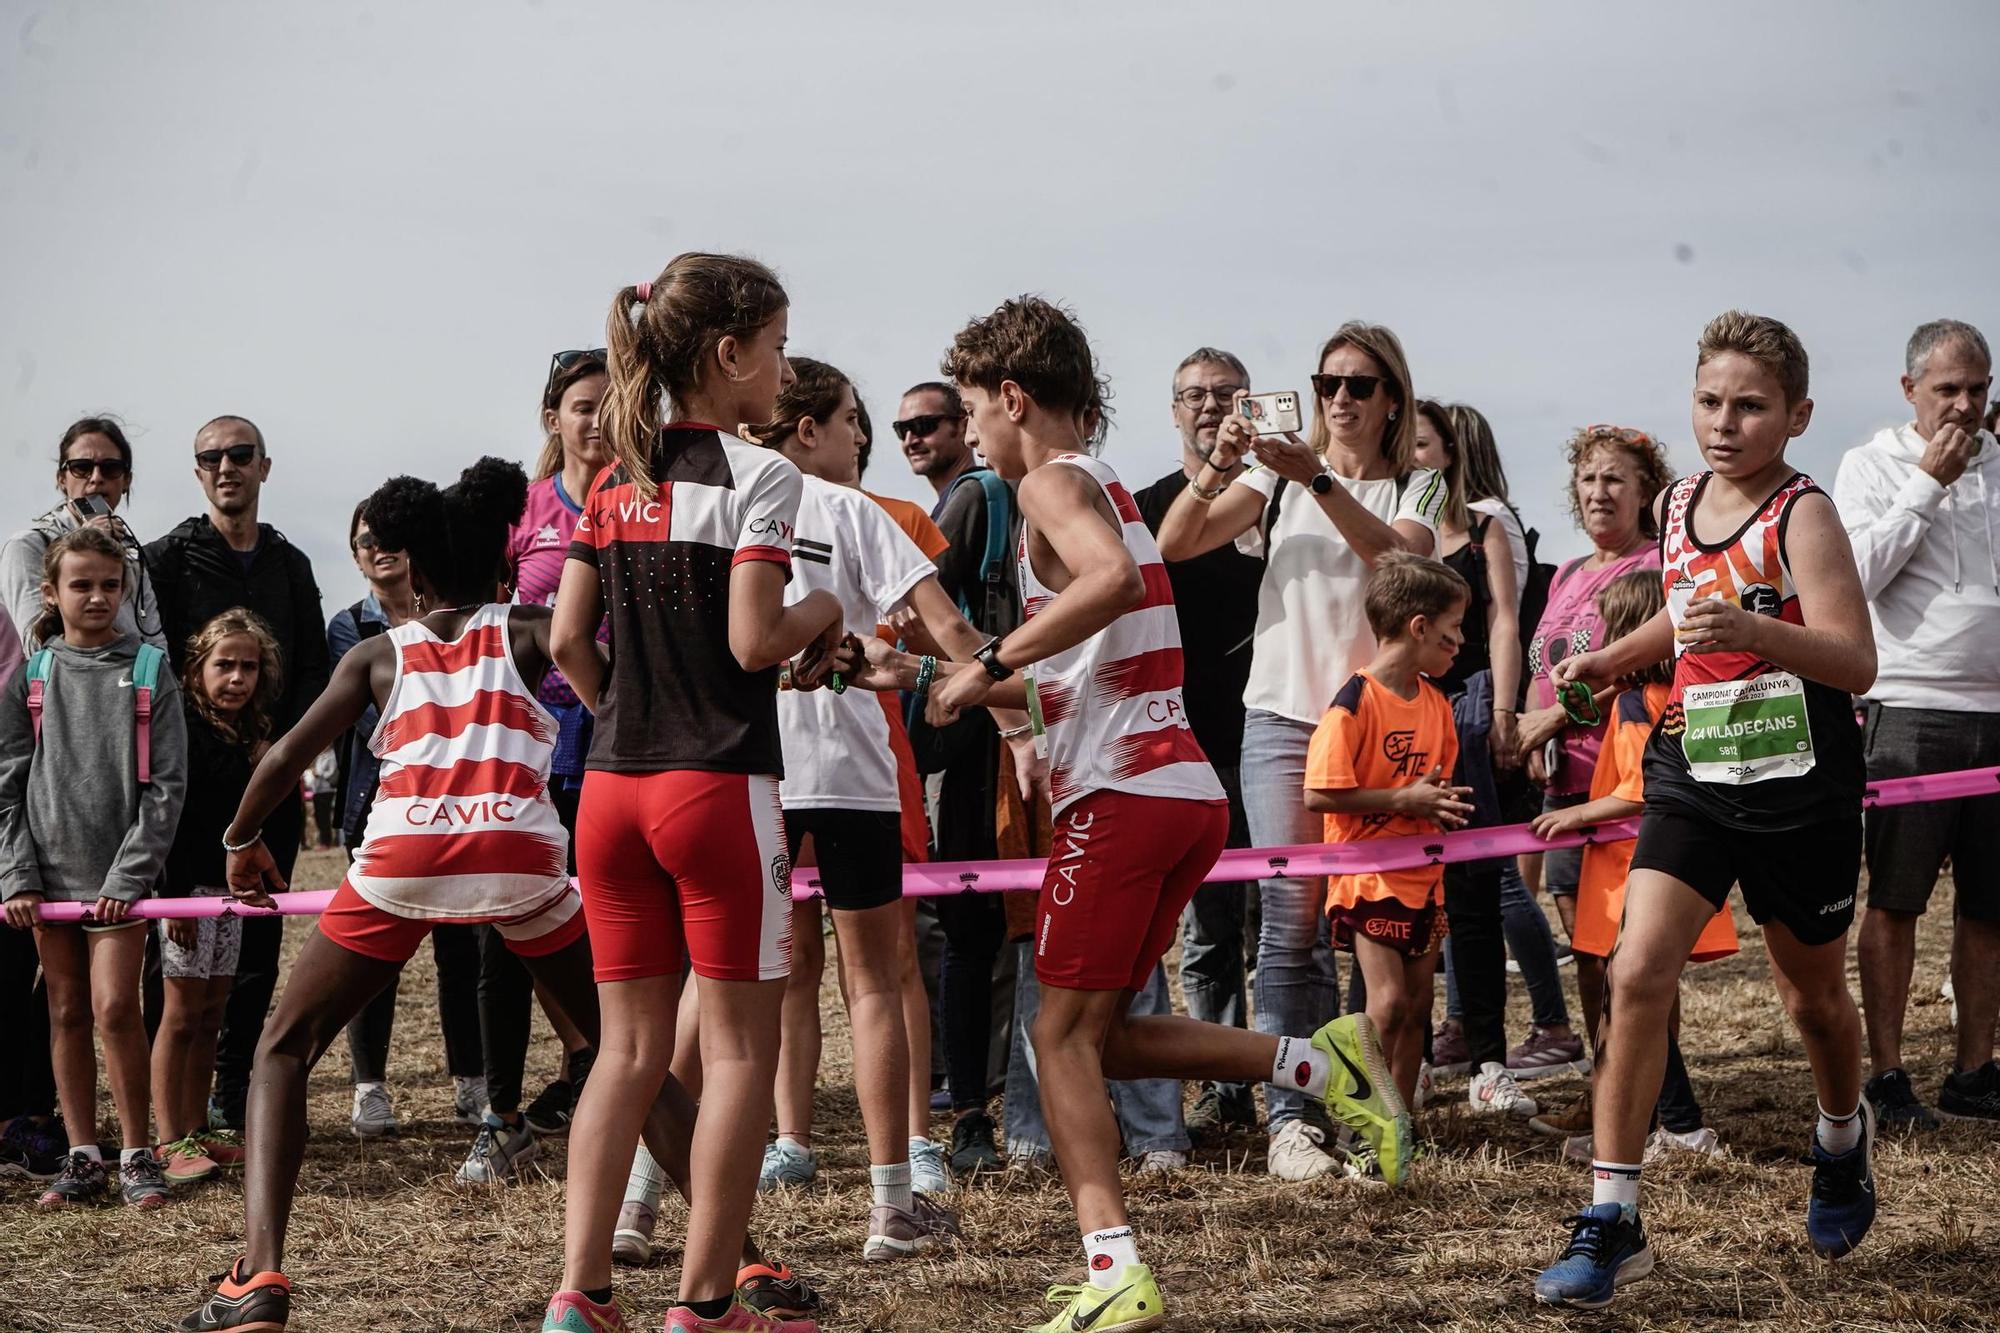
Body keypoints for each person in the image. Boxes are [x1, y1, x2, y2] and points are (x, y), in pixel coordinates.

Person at [897, 294, 1409, 1330]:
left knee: (1057, 1036)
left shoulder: (1047, 481)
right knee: (1105, 1040)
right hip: (1177, 795)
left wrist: (985, 656)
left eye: (970, 412)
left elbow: (1111, 583)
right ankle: (1319, 1060)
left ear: (1010, 398)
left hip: (1125, 801)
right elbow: (1071, 675)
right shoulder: (1104, 487)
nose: (969, 439)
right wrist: (908, 672)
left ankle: (1113, 1268)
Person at [176, 460, 729, 1333]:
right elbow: (625, 689)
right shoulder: (535, 628)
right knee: (629, 1053)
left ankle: (259, 1276)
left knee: (281, 1051)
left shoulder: (375, 652)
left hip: (403, 853)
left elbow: (283, 759)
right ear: (507, 568)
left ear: (416, 573)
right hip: (521, 851)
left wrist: (241, 843)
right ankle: (735, 1255)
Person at [1535, 312, 1879, 1308]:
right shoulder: (1679, 500)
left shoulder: (1801, 515)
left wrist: (1754, 630)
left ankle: (1840, 1138)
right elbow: (1678, 624)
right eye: (1707, 401)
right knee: (1635, 969)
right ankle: (1611, 1219)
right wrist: (1603, 661)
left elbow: (1854, 659)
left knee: (1811, 1002)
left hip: (1797, 780)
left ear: (1795, 415)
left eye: (1748, 406)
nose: (1722, 423)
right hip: (1692, 767)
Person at [547, 254, 842, 1333]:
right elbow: (753, 638)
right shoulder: (760, 475)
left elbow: (570, 639)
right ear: (728, 355)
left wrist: (625, 708)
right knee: (734, 1055)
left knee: (623, 1053)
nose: (782, 366)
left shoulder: (609, 477)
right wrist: (829, 613)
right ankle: (704, 1303)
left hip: (612, 792)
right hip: (716, 787)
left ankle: (579, 1295)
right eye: (774, 344)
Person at [1156, 320, 1444, 1180]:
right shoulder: (1275, 480)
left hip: (1377, 727)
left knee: (1380, 928)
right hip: (1281, 719)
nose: (1341, 400)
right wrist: (1220, 462)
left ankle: (1372, 1102)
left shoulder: (1419, 486)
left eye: (1359, 385)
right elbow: (1175, 542)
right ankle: (1294, 1118)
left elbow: (1402, 567)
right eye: (1327, 385)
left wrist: (1314, 476)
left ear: (1393, 397)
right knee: (1290, 929)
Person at [738, 356, 977, 1256]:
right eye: (849, 421)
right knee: (875, 981)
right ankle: (892, 1208)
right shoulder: (854, 512)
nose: (863, 437)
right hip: (849, 773)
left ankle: (643, 1201)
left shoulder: (727, 505)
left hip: (752, 769)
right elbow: (952, 633)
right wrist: (1015, 691)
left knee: (717, 985)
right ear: (808, 431)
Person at [453, 348, 613, 1185]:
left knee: (613, 925)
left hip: (621, 740)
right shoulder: (524, 513)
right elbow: (478, 624)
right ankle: (502, 1113)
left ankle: (609, 1077)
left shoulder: (644, 502)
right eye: (581, 405)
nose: (596, 419)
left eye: (609, 404)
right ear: (554, 418)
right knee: (502, 930)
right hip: (528, 744)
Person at [147, 415, 330, 1135]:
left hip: (271, 785)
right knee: (178, 956)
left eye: (240, 454)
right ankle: (173, 1123)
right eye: (211, 456)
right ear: (197, 472)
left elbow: (317, 670)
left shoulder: (291, 563)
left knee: (253, 950)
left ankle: (231, 1095)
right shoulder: (168, 558)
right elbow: (153, 672)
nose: (227, 465)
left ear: (264, 466)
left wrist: (279, 751)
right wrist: (208, 750)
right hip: (187, 794)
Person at [1837, 317, 2000, 1126]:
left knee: (1990, 906)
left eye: (1979, 389)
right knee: (1896, 899)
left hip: (1997, 713)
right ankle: (1888, 1075)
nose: (1966, 407)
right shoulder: (1869, 465)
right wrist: (1927, 482)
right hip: (1910, 708)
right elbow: (1856, 575)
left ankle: (1976, 1070)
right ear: (1910, 391)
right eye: (1948, 390)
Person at [0, 527, 188, 1208]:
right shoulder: (33, 674)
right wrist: (18, 874)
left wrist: (128, 877)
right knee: (67, 1008)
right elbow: (7, 781)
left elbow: (167, 785)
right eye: (82, 584)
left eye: (111, 584)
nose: (99, 596)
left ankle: (137, 1151)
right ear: (51, 592)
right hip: (47, 882)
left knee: (115, 1006)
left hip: (119, 884)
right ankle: (82, 1155)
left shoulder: (148, 669)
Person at [1526, 570, 1736, 1160]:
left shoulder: (1635, 704)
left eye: (1615, 631)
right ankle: (1636, 1124)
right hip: (1656, 864)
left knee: (1632, 1001)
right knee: (1647, 1000)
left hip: (1631, 874)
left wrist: (1577, 815)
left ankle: (1681, 1125)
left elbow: (1641, 785)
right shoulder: (1674, 696)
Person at [1505, 424, 1674, 1084]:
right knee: (1586, 943)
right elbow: (1541, 659)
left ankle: (1652, 1087)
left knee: (1633, 947)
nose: (1599, 492)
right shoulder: (1570, 572)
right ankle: (1606, 1076)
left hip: (1624, 772)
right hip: (1563, 777)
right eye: (1588, 479)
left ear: (1642, 493)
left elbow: (1645, 670)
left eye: (1615, 480)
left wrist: (1555, 717)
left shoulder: (1655, 567)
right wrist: (1528, 726)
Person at [1131, 347, 1264, 1139]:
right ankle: (1224, 1085)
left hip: (1276, 734)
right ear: (1174, 410)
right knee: (1209, 929)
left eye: (1225, 394)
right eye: (1194, 395)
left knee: (1286, 926)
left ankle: (1297, 1081)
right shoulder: (1150, 506)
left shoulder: (1275, 497)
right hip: (1188, 741)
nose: (1210, 406)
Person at [897, 377, 1024, 1176]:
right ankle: (979, 1104)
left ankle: (977, 1107)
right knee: (982, 928)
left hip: (982, 732)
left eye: (931, 423)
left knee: (972, 930)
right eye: (902, 426)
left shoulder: (969, 497)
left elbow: (936, 623)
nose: (914, 436)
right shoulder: (978, 497)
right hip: (999, 725)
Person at [327, 505, 484, 1141]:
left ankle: (471, 1084)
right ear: (356, 555)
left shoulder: (459, 619)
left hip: (464, 804)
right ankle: (370, 1091)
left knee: (461, 952)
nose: (380, 550)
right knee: (372, 957)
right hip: (376, 808)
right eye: (367, 541)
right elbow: (375, 718)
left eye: (393, 540)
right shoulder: (348, 628)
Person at [1305, 553, 1474, 1127]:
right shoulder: (1353, 704)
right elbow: (1320, 794)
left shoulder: (1437, 704)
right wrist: (1403, 800)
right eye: (1452, 631)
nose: (1461, 642)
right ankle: (1361, 1123)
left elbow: (1439, 786)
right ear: (1419, 627)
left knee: (1419, 1008)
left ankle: (1398, 1126)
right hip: (1366, 876)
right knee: (1389, 1003)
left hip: (1426, 880)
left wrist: (1443, 807)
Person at [1406, 400, 1530, 1116]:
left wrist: (1505, 710)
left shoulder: (1482, 527)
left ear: (1450, 453)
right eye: (1407, 446)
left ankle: (1487, 1060)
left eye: (1424, 444)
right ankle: (1410, 1057)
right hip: (1402, 714)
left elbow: (1506, 620)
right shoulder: (1395, 534)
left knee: (1476, 892)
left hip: (1471, 707)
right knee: (1403, 896)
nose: (1415, 457)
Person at [152, 610, 281, 1189]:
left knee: (212, 1015)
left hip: (226, 896)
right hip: (183, 895)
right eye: (223, 665)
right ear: (194, 669)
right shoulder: (179, 728)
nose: (236, 677)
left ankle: (198, 1126)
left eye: (248, 666)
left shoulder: (252, 735)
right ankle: (165, 1138)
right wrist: (172, 897)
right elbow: (167, 819)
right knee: (179, 1017)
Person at [0, 416, 166, 652]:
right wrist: (83, 550)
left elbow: (155, 641)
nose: (96, 478)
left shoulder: (129, 552)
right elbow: (35, 646)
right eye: (82, 467)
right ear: (62, 479)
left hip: (132, 684)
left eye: (111, 468)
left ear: (126, 480)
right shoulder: (28, 546)